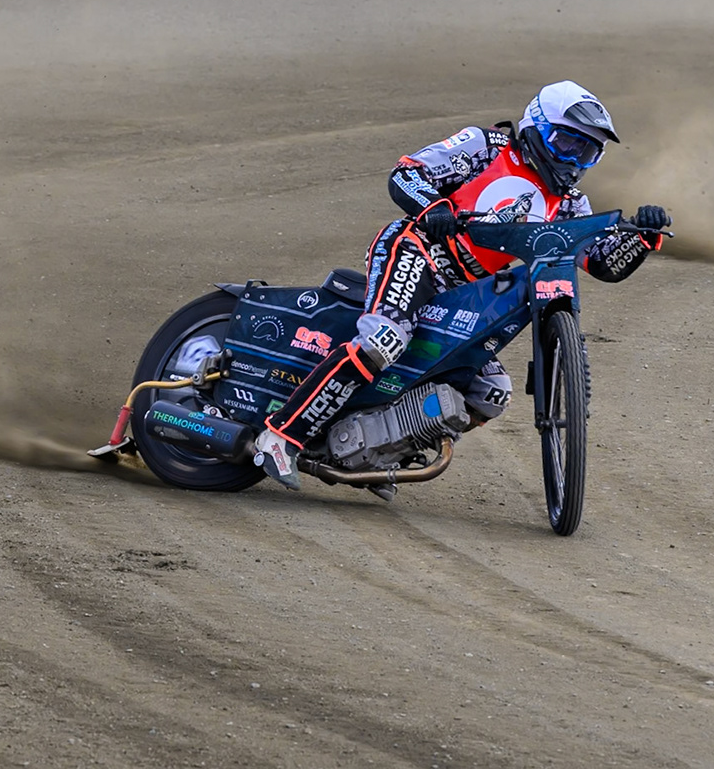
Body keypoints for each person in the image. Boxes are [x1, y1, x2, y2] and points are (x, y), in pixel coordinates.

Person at [250, 81, 671, 490]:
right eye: (566, 143)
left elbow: (600, 263)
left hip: (467, 293)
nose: (574, 161)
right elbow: (405, 173)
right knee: (384, 339)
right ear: (536, 127)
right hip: (418, 252)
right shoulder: (484, 147)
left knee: (491, 392)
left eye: (588, 151)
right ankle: (280, 437)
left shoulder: (571, 203)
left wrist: (640, 237)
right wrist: (433, 207)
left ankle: (374, 450)